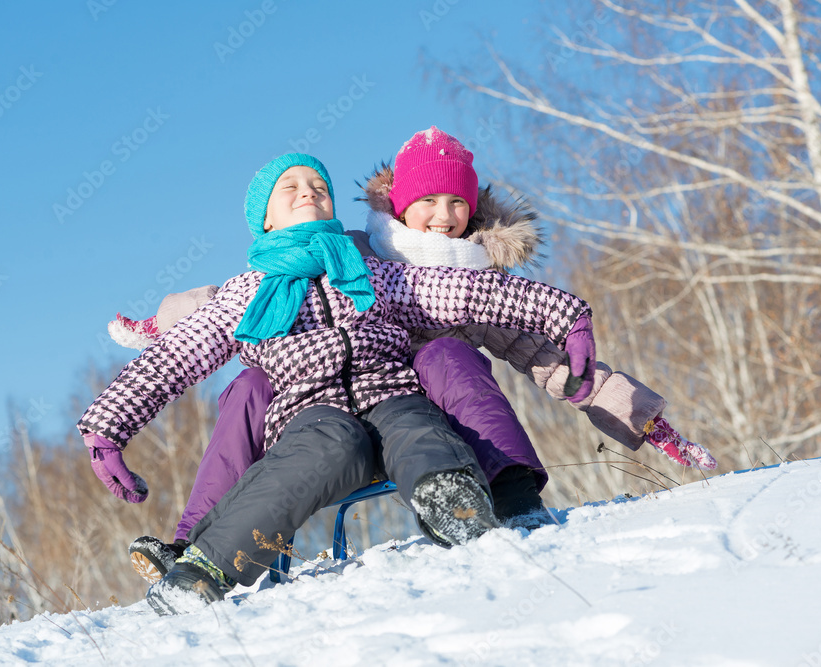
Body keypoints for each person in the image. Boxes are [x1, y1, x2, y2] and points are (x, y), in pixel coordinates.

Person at [114, 128, 717, 584]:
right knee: (248, 385)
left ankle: (505, 493)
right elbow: (227, 301)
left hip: (413, 409)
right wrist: (160, 326)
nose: (443, 217)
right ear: (398, 205)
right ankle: (194, 543)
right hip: (315, 409)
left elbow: (546, 357)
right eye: (428, 200)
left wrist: (643, 417)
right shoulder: (354, 253)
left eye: (457, 203)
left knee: (447, 354)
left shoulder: (470, 280)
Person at [79, 152, 598, 614]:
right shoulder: (245, 294)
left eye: (319, 186)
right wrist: (107, 428)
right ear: (264, 219)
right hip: (310, 413)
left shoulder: (370, 272)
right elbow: (173, 358)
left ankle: (451, 499)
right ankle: (204, 568)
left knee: (417, 426)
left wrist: (565, 316)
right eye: (290, 187)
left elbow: (467, 291)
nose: (308, 191)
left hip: (390, 391)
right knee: (327, 445)